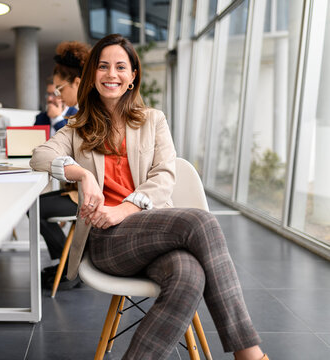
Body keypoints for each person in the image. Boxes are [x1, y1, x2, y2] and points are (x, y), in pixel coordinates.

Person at [30, 34, 269, 360]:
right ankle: (249, 354)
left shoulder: (153, 120)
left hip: (149, 228)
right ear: (92, 76)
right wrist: (83, 175)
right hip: (107, 240)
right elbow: (40, 156)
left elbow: (164, 177)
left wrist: (124, 209)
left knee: (188, 275)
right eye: (102, 66)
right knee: (200, 222)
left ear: (132, 77)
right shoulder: (77, 127)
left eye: (120, 67)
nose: (111, 74)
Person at [37, 41, 90, 290]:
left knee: (34, 206)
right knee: (34, 204)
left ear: (77, 83)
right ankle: (68, 263)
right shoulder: (80, 114)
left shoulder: (85, 116)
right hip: (78, 188)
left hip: (86, 195)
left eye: (59, 88)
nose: (57, 95)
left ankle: (70, 265)